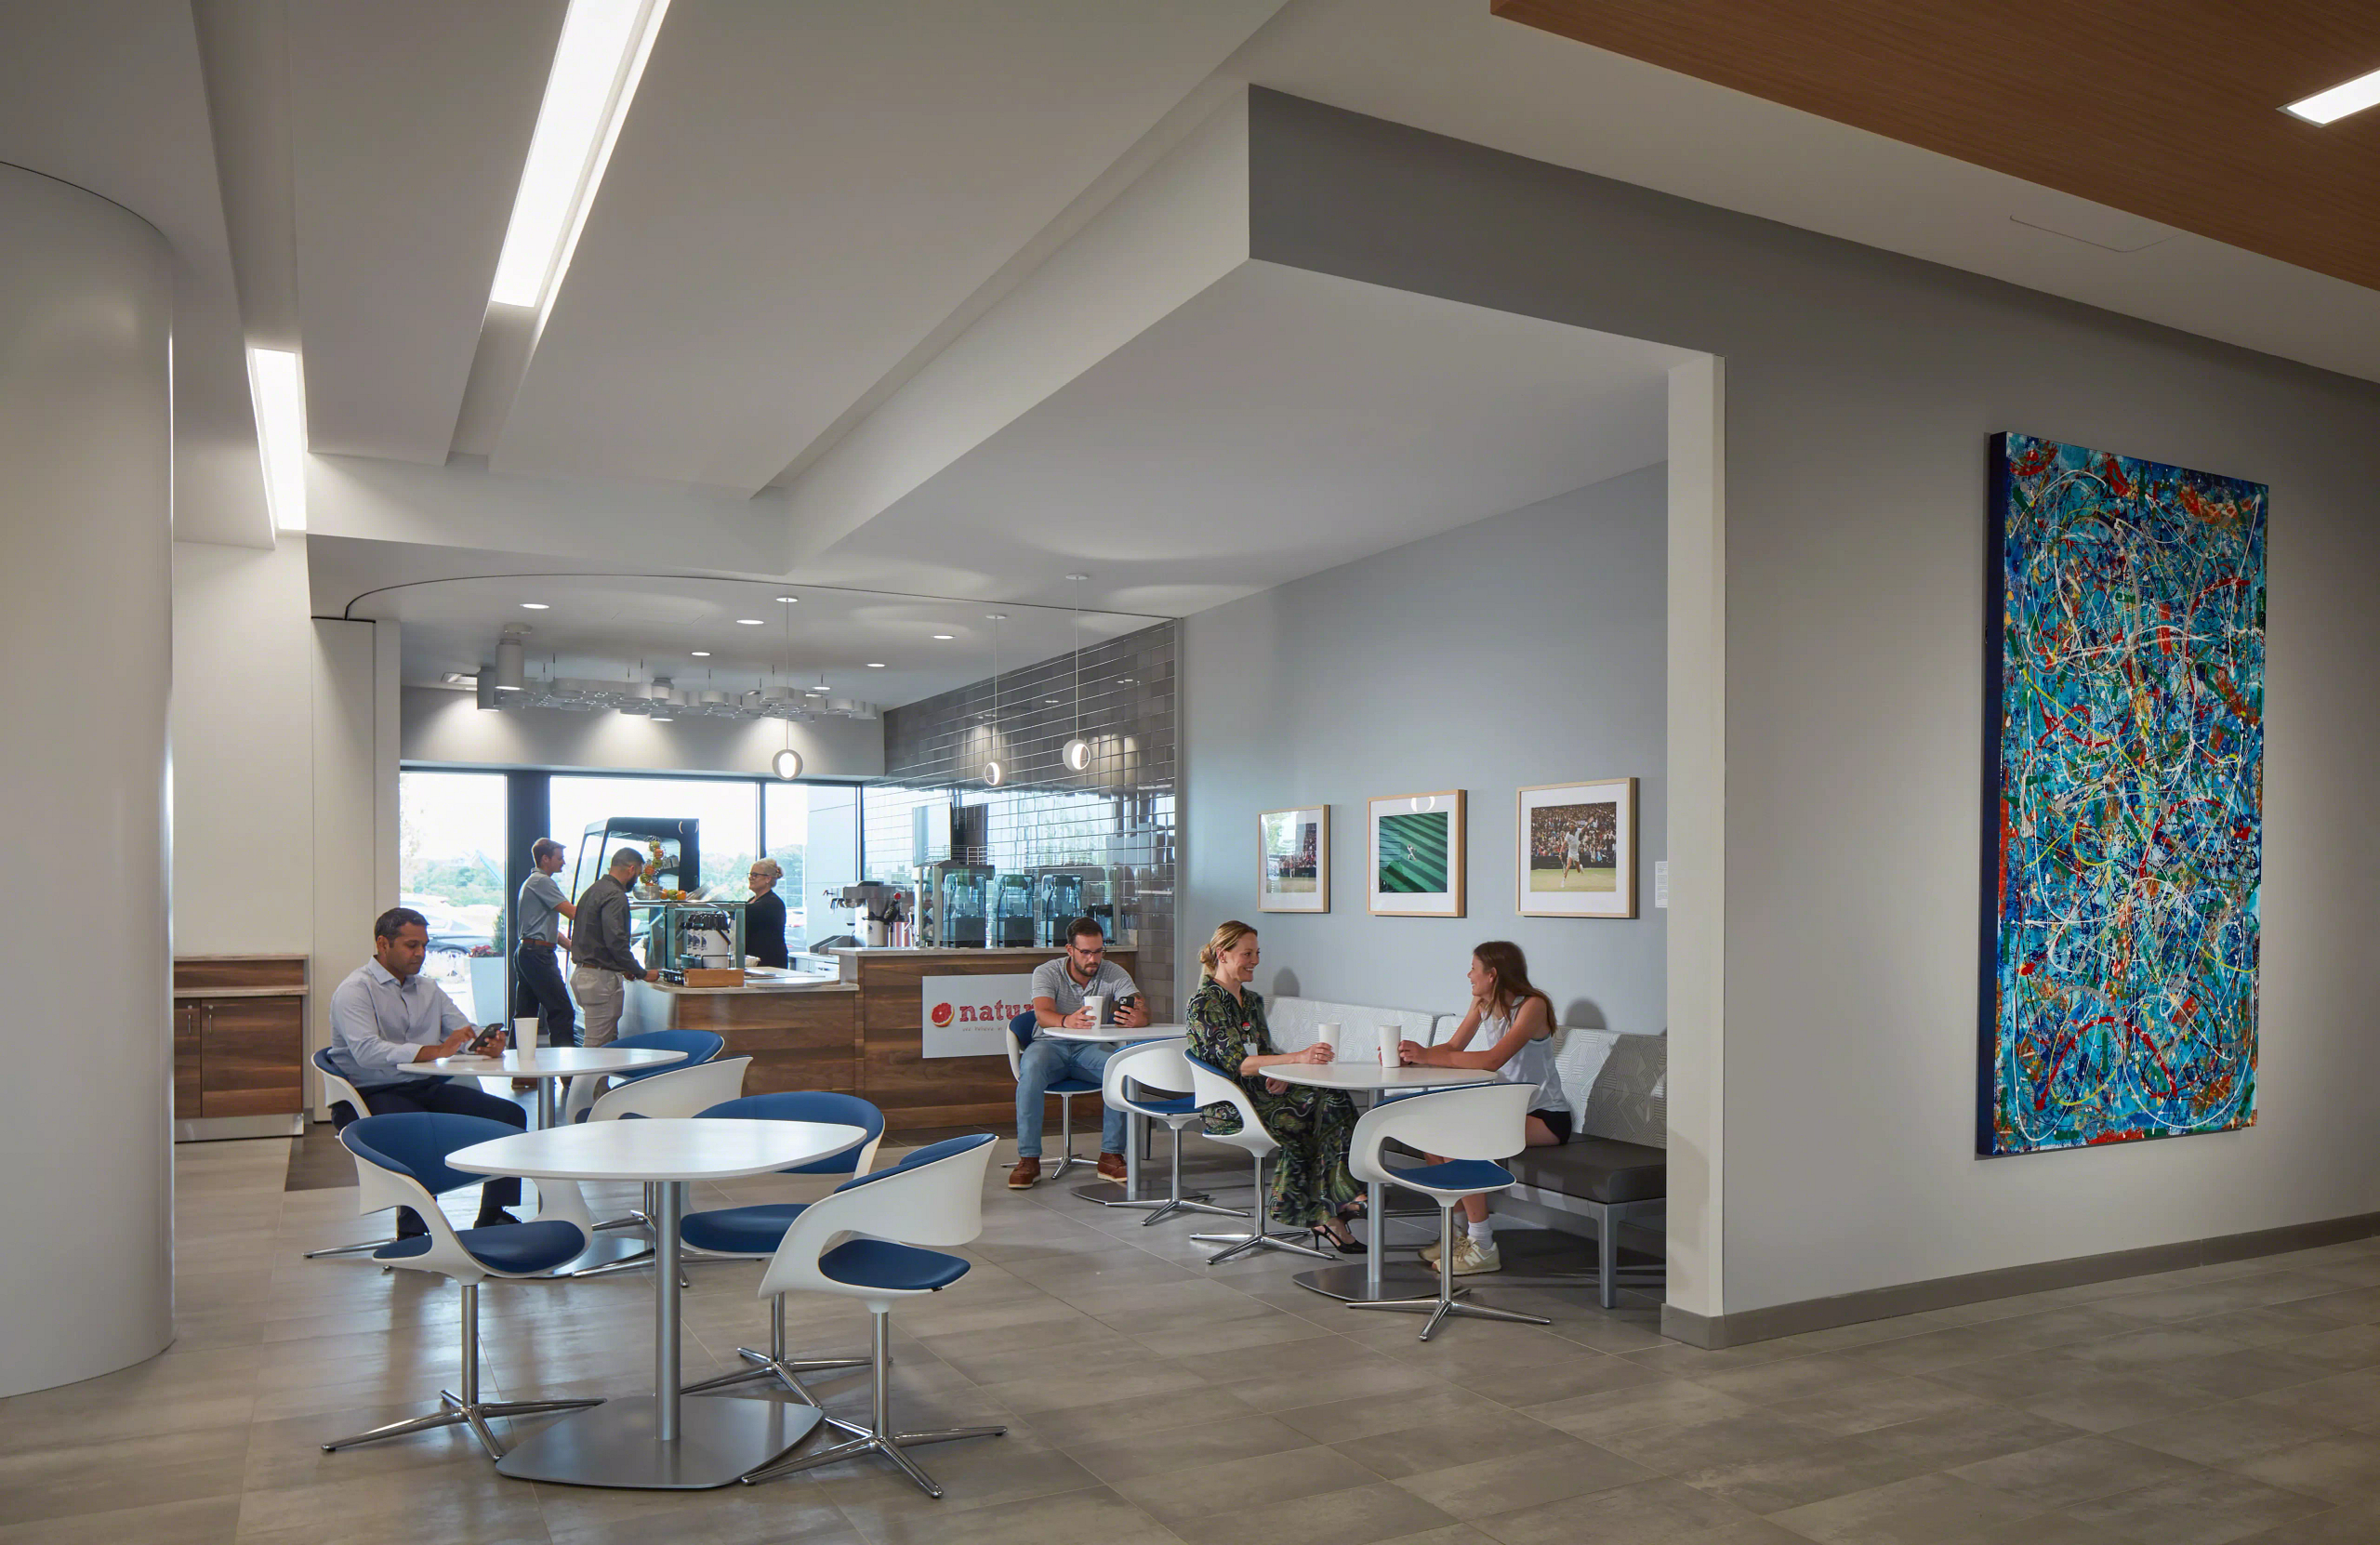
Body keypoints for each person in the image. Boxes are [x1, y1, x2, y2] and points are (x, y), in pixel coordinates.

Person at [326, 907, 526, 1236]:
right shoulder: (355, 990)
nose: (420, 953)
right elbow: (367, 1051)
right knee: (415, 1134)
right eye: (411, 945)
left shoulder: (428, 988)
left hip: (423, 1086)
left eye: (424, 945)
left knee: (510, 1115)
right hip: (372, 1092)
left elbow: (461, 1031)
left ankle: (493, 1214)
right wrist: (436, 1051)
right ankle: (413, 1233)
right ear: (383, 944)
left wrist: (484, 1042)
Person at [1396, 941, 1571, 1275]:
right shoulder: (1483, 1002)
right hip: (1507, 1111)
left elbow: (1493, 1060)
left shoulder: (1533, 1006)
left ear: (1492, 974)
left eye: (1474, 969)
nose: (1469, 975)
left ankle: (1483, 1245)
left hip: (1546, 1118)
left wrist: (1428, 1056)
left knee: (1462, 1139)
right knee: (1433, 1136)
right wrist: (1413, 1057)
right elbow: (1453, 1046)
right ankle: (1457, 1235)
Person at [1183, 920, 1361, 1250]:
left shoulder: (1251, 1001)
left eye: (1257, 953)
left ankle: (1332, 1208)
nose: (1255, 961)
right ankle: (1335, 1203)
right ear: (1223, 954)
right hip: (1229, 1106)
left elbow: (1262, 1052)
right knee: (1307, 1118)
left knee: (1331, 1096)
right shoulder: (1205, 1003)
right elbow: (1238, 1063)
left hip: (1262, 1094)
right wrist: (1298, 1058)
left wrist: (1279, 1071)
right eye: (1247, 954)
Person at [1008, 918, 1150, 1189]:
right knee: (1032, 1067)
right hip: (1049, 1045)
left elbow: (1141, 1006)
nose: (1093, 959)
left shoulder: (1113, 972)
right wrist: (1067, 1021)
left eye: (1098, 951)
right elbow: (1042, 1014)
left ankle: (1111, 1156)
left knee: (1120, 1070)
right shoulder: (1047, 972)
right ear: (1070, 950)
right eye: (1085, 952)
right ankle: (1028, 1159)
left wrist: (1139, 1018)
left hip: (1090, 1048)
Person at [571, 847, 650, 1048]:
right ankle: (586, 1072)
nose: (637, 880)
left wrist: (624, 967)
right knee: (596, 1048)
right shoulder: (616, 896)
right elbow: (616, 941)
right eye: (639, 874)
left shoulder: (592, 890)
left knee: (606, 1047)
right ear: (631, 869)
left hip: (583, 973)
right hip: (601, 980)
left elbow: (594, 937)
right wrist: (640, 972)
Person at [514, 838, 578, 1047]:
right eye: (560, 858)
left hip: (528, 952)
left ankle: (518, 1064)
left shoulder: (532, 882)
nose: (564, 862)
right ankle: (565, 1064)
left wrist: (572, 947)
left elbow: (543, 926)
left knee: (526, 1016)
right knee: (562, 1011)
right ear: (545, 859)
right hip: (538, 955)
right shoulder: (542, 881)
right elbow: (573, 913)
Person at [745, 857, 789, 969]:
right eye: (750, 874)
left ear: (768, 879)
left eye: (755, 875)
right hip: (753, 960)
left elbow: (747, 911)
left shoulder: (772, 903)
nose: (750, 878)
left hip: (769, 962)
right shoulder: (751, 901)